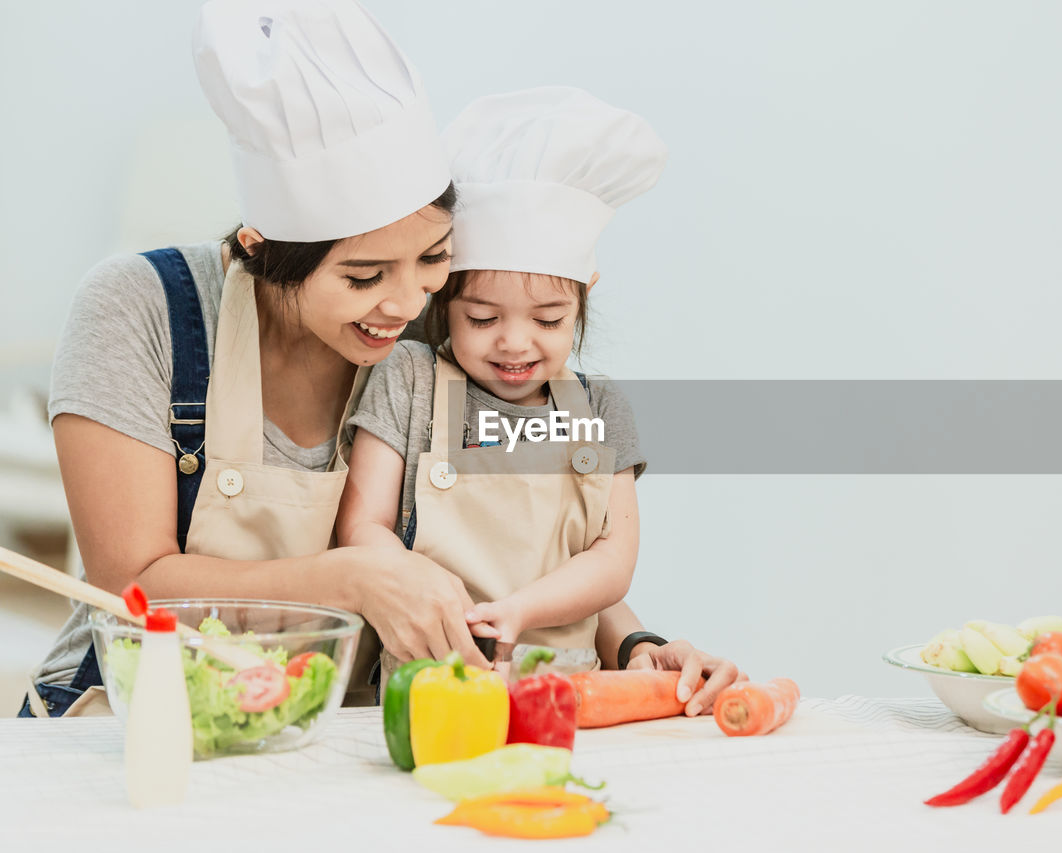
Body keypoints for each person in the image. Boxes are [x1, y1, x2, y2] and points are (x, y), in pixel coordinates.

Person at [23, 0, 738, 719]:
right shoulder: (142, 312)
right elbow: (133, 581)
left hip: (332, 737)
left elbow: (528, 539)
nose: (402, 303)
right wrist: (350, 578)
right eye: (363, 277)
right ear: (258, 250)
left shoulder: (451, 340)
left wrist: (637, 644)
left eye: (433, 259)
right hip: (135, 717)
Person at [338, 88, 656, 680]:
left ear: (583, 295)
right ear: (444, 301)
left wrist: (517, 613)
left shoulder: (601, 405)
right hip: (429, 674)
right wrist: (440, 604)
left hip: (567, 686)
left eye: (548, 320)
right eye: (481, 319)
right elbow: (360, 527)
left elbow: (613, 560)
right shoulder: (408, 379)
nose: (514, 342)